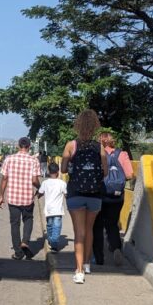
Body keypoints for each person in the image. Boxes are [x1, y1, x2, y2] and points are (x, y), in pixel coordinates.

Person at [60, 109, 107, 284]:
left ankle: (79, 271)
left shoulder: (71, 145)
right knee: (89, 230)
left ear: (78, 125)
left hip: (76, 194)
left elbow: (63, 169)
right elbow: (106, 172)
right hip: (95, 195)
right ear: (95, 126)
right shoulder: (99, 147)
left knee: (79, 232)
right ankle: (87, 263)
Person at [92, 132, 135, 266]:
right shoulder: (122, 154)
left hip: (100, 193)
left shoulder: (96, 154)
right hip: (117, 196)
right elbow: (129, 174)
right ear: (112, 141)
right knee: (112, 223)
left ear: (100, 142)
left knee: (97, 225)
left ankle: (99, 257)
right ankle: (116, 248)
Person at [0, 137, 42, 259]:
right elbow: (34, 180)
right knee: (28, 219)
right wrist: (41, 187)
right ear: (29, 146)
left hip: (13, 198)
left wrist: (1, 195)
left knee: (14, 224)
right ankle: (25, 242)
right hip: (27, 198)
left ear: (18, 146)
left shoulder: (9, 159)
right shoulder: (33, 160)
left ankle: (18, 252)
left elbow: (5, 178)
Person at [37, 162, 67, 251]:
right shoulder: (62, 183)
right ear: (58, 172)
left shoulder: (45, 183)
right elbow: (66, 194)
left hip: (48, 210)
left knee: (50, 226)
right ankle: (52, 241)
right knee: (56, 227)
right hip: (58, 210)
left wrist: (37, 196)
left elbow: (40, 193)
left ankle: (53, 243)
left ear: (48, 172)